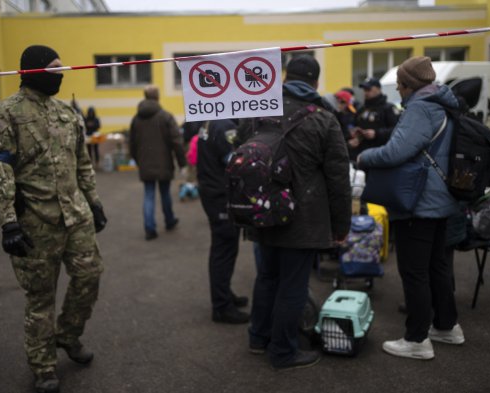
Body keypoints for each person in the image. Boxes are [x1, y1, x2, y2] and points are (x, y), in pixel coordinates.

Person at [0, 45, 107, 393]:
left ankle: (67, 335)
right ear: (35, 69)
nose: (61, 72)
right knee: (40, 298)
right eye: (55, 67)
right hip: (35, 222)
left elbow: (83, 163)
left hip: (76, 216)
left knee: (90, 277)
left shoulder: (68, 113)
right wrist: (8, 221)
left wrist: (94, 203)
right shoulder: (2, 113)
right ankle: (43, 365)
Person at [247, 55, 352, 370]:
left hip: (263, 211)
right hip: (304, 217)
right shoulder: (324, 119)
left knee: (267, 277)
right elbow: (338, 180)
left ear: (285, 76)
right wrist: (341, 226)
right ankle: (283, 351)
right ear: (316, 83)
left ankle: (258, 338)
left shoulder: (258, 111)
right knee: (292, 285)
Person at [357, 56, 464, 360]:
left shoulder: (420, 107)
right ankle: (446, 326)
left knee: (414, 272)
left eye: (400, 86)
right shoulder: (445, 103)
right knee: (437, 267)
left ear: (407, 85)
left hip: (419, 202)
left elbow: (396, 151)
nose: (398, 92)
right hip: (442, 198)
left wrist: (365, 158)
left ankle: (417, 339)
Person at [196, 118, 250, 324]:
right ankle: (221, 306)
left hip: (212, 191)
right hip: (220, 195)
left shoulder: (210, 122)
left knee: (225, 247)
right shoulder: (224, 125)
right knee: (224, 248)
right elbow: (234, 161)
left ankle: (225, 294)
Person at [129, 85, 186, 240]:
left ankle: (149, 227)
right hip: (164, 163)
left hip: (145, 164)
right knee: (165, 193)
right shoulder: (166, 116)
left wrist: (137, 160)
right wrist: (182, 163)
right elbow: (177, 141)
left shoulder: (136, 118)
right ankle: (169, 220)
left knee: (148, 194)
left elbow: (132, 143)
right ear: (158, 97)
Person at [348, 77, 400, 161]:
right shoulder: (361, 109)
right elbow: (352, 125)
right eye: (364, 90)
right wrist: (355, 132)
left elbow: (396, 130)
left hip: (380, 155)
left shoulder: (388, 108)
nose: (365, 92)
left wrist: (376, 133)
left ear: (378, 89)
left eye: (368, 89)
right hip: (361, 155)